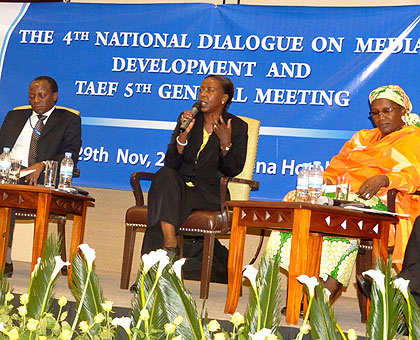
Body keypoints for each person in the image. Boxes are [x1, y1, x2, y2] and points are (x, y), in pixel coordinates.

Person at [266, 84, 420, 303]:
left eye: (388, 110)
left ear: (403, 111)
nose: (381, 117)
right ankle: (305, 286)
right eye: (375, 113)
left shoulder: (413, 138)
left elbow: (415, 176)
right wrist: (324, 181)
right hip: (343, 195)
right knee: (298, 201)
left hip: (381, 205)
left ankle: (321, 299)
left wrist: (385, 179)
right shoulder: (362, 138)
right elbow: (336, 168)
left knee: (344, 218)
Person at [141, 75, 248, 258]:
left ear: (224, 98)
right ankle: (170, 244)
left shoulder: (236, 126)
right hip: (181, 188)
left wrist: (225, 145)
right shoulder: (189, 120)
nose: (203, 95)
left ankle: (152, 273)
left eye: (210, 90)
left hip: (210, 193)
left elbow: (233, 169)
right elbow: (171, 164)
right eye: (201, 90)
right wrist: (182, 139)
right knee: (165, 176)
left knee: (163, 203)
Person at [0, 75, 82, 276]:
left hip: (41, 176)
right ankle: (5, 256)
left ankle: (4, 256)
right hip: (8, 171)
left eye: (42, 96)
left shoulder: (68, 120)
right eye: (32, 96)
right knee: (8, 185)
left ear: (54, 96)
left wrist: (43, 165)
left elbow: (71, 152)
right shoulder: (15, 116)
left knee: (10, 190)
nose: (36, 100)